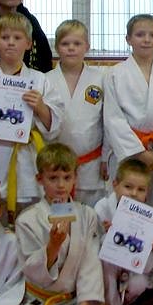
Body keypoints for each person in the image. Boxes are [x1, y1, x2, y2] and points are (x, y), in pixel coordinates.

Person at [15, 143, 106, 305]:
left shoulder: (87, 215)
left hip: (73, 299)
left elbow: (90, 263)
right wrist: (53, 246)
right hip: (42, 299)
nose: (61, 185)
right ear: (39, 179)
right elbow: (31, 269)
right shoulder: (27, 219)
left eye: (67, 177)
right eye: (53, 178)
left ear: (75, 178)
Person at [0, 13, 63, 217]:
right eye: (5, 37)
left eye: (17, 38)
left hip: (27, 164)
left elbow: (55, 127)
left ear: (28, 43)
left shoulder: (41, 81)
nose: (11, 43)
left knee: (29, 220)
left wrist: (41, 107)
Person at [103, 14, 153, 206]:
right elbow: (113, 118)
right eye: (140, 35)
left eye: (152, 35)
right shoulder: (115, 74)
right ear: (128, 39)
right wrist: (139, 152)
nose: (146, 40)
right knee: (128, 200)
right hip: (129, 153)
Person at [95, 158, 153, 305]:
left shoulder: (148, 217)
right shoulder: (102, 208)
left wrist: (150, 247)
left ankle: (126, 303)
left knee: (140, 283)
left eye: (140, 189)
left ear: (147, 192)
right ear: (115, 185)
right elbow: (91, 247)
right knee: (106, 246)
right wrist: (105, 233)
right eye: (128, 187)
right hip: (104, 269)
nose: (134, 193)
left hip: (131, 269)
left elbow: (147, 266)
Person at [46, 20, 108, 207]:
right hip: (55, 166)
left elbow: (109, 121)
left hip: (92, 164)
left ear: (87, 47)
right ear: (57, 47)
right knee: (58, 219)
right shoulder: (45, 80)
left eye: (77, 43)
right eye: (65, 44)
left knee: (91, 217)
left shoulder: (101, 78)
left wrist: (106, 157)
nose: (71, 48)